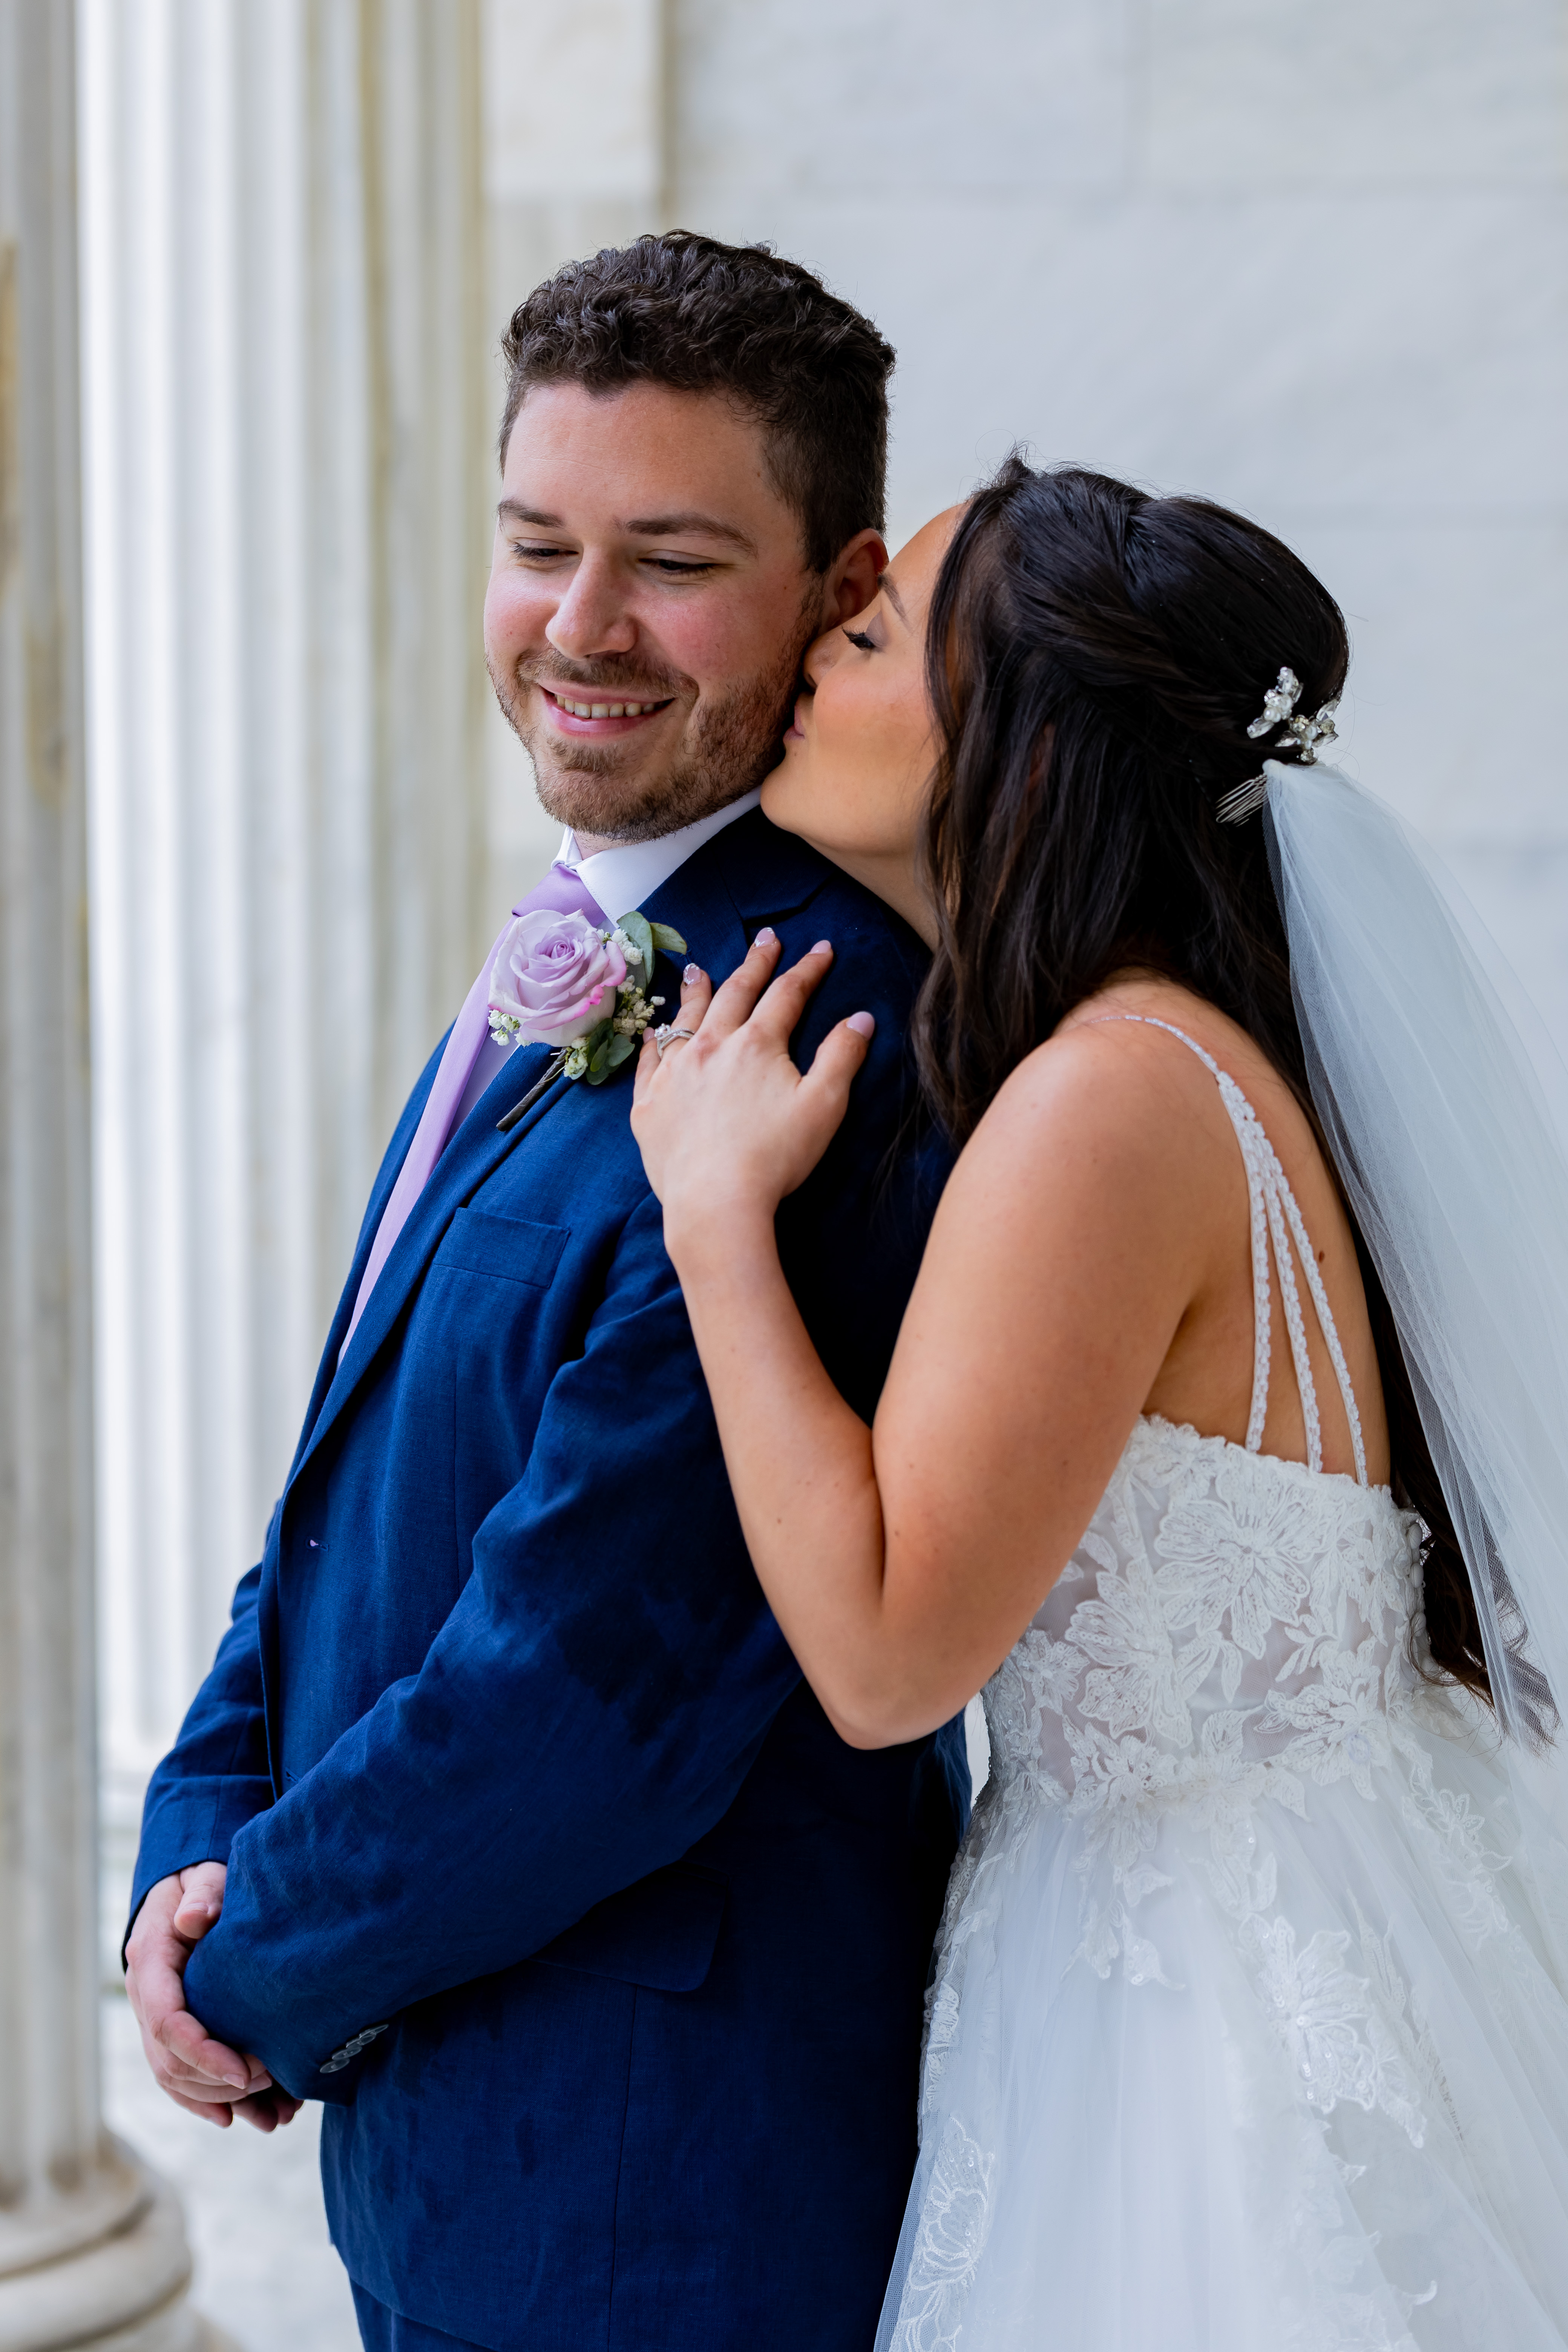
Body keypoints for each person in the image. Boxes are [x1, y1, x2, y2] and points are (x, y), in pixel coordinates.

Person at [122, 233, 969, 2352]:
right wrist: (191, 1838)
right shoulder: (591, 937)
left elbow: (605, 1678)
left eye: (669, 560)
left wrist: (248, 1968)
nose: (578, 631)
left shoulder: (819, 1032)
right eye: (535, 545)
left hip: (659, 2174)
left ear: (842, 589)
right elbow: (349, 1481)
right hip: (463, 2122)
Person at [630, 460, 1568, 2348]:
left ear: (1020, 749)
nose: (824, 642)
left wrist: (715, 1221)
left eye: (880, 635)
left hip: (1192, 2039)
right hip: (1292, 1912)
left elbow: (889, 1659)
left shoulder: (1102, 1100)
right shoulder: (1194, 1057)